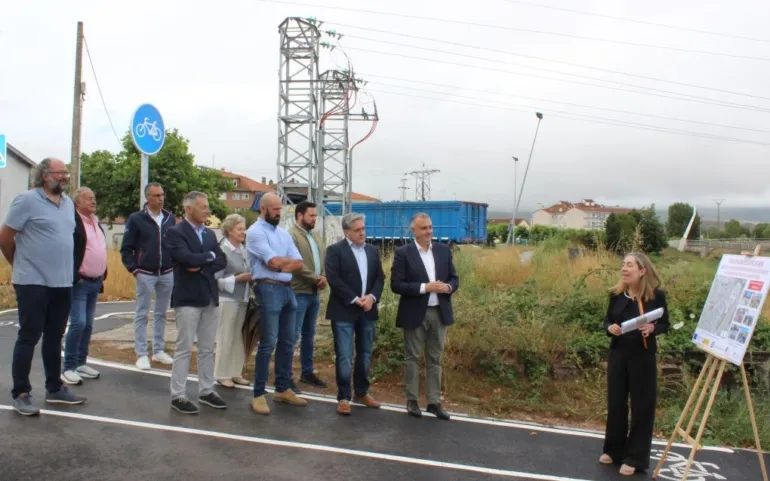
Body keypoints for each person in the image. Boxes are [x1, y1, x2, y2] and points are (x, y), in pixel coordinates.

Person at [0, 158, 86, 416]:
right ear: (45, 175)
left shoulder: (68, 204)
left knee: (54, 336)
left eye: (66, 174)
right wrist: (17, 263)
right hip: (32, 281)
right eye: (61, 173)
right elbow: (5, 237)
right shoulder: (26, 200)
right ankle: (22, 393)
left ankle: (55, 388)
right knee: (29, 336)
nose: (65, 178)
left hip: (61, 282)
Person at [600, 252, 669, 476]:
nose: (624, 269)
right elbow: (608, 320)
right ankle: (614, 450)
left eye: (629, 265)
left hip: (643, 356)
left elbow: (664, 324)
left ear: (642, 271)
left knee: (642, 407)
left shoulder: (656, 297)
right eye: (623, 265)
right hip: (619, 354)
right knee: (616, 403)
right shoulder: (616, 295)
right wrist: (609, 327)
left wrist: (653, 328)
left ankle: (635, 457)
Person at [390, 213, 459, 421]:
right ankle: (412, 400)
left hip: (439, 312)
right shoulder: (403, 253)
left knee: (435, 359)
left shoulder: (443, 250)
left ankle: (434, 401)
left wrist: (447, 287)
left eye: (430, 227)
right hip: (415, 313)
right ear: (414, 230)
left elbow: (454, 278)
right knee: (412, 358)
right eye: (423, 228)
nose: (428, 231)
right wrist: (424, 287)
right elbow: (396, 284)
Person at [165, 191, 228, 414]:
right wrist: (206, 258)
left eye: (207, 206)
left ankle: (206, 390)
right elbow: (185, 259)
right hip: (188, 297)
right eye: (203, 207)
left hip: (209, 295)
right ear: (189, 208)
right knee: (184, 347)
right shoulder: (175, 232)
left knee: (206, 347)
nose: (207, 210)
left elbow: (221, 259)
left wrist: (202, 262)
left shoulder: (210, 234)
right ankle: (178, 395)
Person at [246, 192, 306, 415]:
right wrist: (278, 264)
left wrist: (280, 265)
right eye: (275, 209)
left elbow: (298, 263)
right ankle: (258, 394)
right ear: (263, 209)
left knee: (289, 341)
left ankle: (282, 389)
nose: (279, 213)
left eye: (280, 209)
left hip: (287, 289)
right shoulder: (254, 233)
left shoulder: (283, 234)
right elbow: (270, 261)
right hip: (268, 288)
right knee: (268, 342)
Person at [324, 213, 385, 415]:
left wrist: (372, 298)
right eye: (357, 230)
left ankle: (362, 392)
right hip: (344, 310)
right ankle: (343, 396)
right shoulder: (335, 251)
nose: (362, 233)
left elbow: (379, 278)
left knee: (365, 354)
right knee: (344, 356)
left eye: (363, 229)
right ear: (347, 232)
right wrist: (354, 299)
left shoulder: (372, 251)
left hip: (367, 310)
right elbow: (334, 278)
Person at [120, 182, 176, 370]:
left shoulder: (169, 218)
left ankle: (158, 350)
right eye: (156, 195)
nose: (160, 198)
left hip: (167, 272)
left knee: (161, 313)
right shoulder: (136, 219)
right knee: (142, 313)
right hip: (145, 273)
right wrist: (134, 269)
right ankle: (142, 354)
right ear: (147, 198)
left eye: (162, 195)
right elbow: (126, 247)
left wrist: (173, 263)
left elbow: (173, 244)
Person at [62, 187, 108, 385]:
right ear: (77, 203)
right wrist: (74, 275)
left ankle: (81, 362)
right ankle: (69, 367)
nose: (93, 201)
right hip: (80, 282)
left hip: (95, 281)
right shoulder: (72, 221)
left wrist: (103, 271)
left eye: (94, 197)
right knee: (78, 323)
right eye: (88, 198)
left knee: (88, 324)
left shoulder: (96, 221)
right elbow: (66, 249)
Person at [289, 200, 328, 392]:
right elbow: (296, 264)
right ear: (299, 215)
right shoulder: (292, 236)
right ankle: (286, 376)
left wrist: (323, 277)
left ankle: (307, 372)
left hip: (314, 292)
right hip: (299, 291)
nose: (315, 219)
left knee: (309, 335)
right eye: (311, 215)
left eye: (316, 216)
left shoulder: (316, 236)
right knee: (292, 335)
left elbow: (323, 260)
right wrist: (315, 278)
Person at [213, 213, 253, 388]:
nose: (243, 232)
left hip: (242, 299)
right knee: (226, 336)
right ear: (229, 231)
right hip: (227, 300)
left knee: (238, 337)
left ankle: (235, 372)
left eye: (244, 228)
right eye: (239, 229)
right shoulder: (222, 251)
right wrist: (238, 279)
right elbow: (215, 280)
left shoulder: (243, 250)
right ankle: (222, 373)